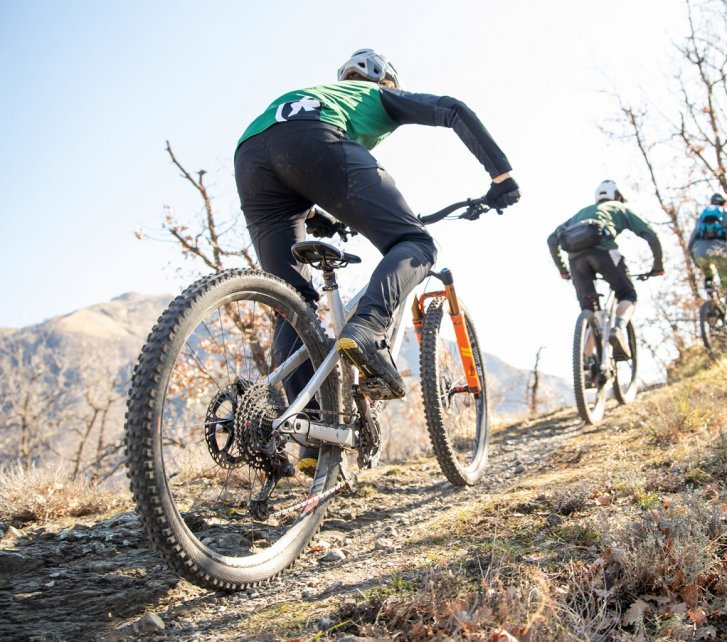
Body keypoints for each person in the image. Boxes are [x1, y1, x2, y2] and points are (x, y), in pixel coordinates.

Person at [234, 48, 520, 405]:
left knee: (293, 305)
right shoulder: (375, 94)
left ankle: (310, 438)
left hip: (249, 154)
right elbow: (453, 109)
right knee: (416, 243)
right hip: (314, 137)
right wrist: (501, 175)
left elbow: (286, 160)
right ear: (385, 80)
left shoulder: (316, 96)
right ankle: (369, 328)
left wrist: (319, 218)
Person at [547, 180, 664, 359]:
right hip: (604, 253)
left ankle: (587, 365)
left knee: (590, 313)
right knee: (627, 294)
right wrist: (657, 266)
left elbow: (551, 239)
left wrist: (563, 270)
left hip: (576, 262)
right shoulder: (619, 207)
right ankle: (617, 330)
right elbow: (651, 235)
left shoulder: (580, 213)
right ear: (617, 196)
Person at [688, 193, 727, 295]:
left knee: (708, 271)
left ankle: (709, 287)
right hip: (719, 250)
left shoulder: (702, 217)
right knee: (725, 275)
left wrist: (693, 257)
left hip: (699, 253)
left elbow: (693, 237)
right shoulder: (724, 213)